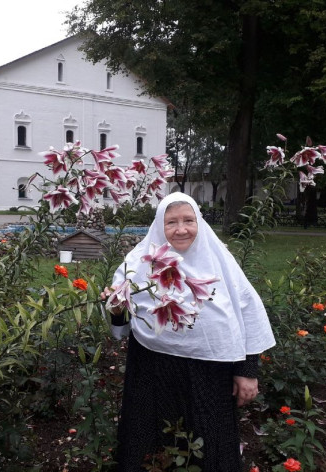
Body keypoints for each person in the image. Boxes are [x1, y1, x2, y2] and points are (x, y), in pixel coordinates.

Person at [102, 192, 275, 472]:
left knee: (210, 443)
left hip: (210, 375)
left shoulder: (221, 262)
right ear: (159, 225)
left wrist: (247, 370)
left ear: (199, 223)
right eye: (171, 222)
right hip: (152, 371)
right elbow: (121, 323)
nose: (181, 229)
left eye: (188, 220)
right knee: (151, 442)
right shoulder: (137, 263)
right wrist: (116, 306)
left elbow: (248, 314)